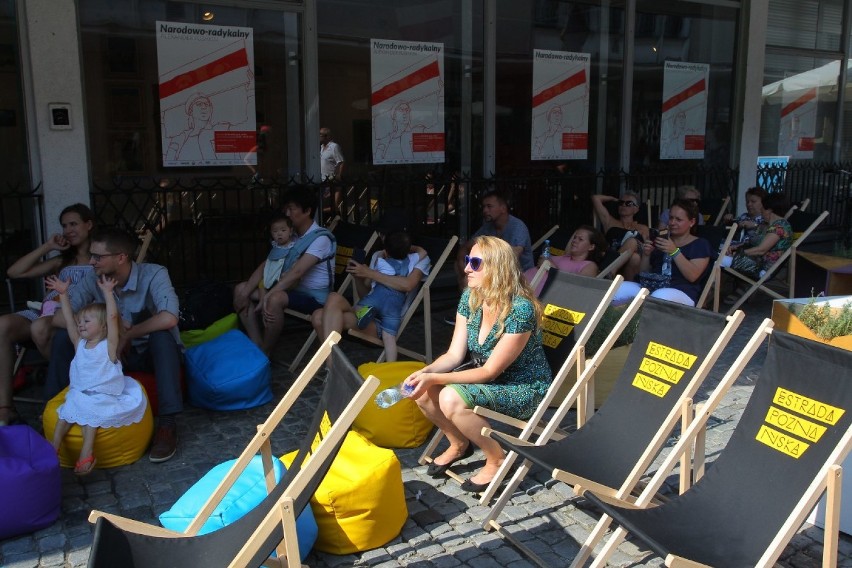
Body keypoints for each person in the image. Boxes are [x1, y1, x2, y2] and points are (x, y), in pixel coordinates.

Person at [404, 236, 551, 493]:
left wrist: (435, 379)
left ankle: (496, 458)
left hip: (522, 387)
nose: (466, 268)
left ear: (497, 268)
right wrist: (424, 373)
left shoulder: (520, 309)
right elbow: (453, 355)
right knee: (423, 391)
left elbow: (489, 371)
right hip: (490, 379)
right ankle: (458, 443)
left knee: (450, 397)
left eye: (475, 263)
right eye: (467, 261)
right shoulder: (471, 298)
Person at [45, 227, 182, 463]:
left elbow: (169, 317)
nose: (91, 262)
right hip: (108, 361)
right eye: (91, 255)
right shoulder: (92, 278)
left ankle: (168, 425)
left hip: (146, 353)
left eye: (98, 257)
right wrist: (96, 331)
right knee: (61, 338)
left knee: (163, 336)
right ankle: (50, 411)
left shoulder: (154, 274)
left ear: (121, 258)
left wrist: (126, 335)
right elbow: (60, 318)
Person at [0, 203, 94, 427]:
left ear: (89, 225)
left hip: (75, 317)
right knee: (2, 324)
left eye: (74, 224)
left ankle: (67, 388)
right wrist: (48, 246)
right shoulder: (61, 261)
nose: (68, 230)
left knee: (39, 327)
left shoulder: (99, 258)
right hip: (45, 311)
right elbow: (13, 272)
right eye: (64, 226)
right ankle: (5, 407)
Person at [44, 274, 147, 475]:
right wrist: (63, 294)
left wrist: (108, 294)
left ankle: (86, 452)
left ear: (102, 327)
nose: (80, 324)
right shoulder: (79, 344)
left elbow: (112, 317)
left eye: (86, 321)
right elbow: (68, 320)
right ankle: (52, 447)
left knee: (89, 411)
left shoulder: (109, 347)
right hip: (80, 393)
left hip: (104, 396)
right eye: (80, 321)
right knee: (67, 410)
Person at [311, 224, 431, 362]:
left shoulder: (420, 260)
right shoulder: (378, 256)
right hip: (366, 312)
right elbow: (365, 294)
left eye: (384, 235)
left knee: (322, 317)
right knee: (320, 313)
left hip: (382, 323)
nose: (381, 238)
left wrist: (370, 273)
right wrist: (358, 277)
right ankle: (332, 366)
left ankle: (332, 368)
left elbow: (408, 285)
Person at [250, 187, 335, 355]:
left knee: (274, 298)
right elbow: (270, 262)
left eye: (292, 209)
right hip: (293, 290)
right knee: (242, 291)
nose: (287, 214)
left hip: (314, 298)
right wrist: (249, 288)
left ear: (307, 211)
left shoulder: (320, 238)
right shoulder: (290, 235)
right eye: (285, 209)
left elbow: (297, 272)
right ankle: (256, 344)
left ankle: (264, 355)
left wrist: (267, 295)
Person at [616, 198, 712, 306]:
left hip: (681, 291)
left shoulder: (700, 244)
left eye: (678, 220)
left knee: (659, 296)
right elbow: (645, 272)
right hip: (652, 286)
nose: (672, 223)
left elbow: (693, 276)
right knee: (618, 289)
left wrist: (674, 251)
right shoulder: (661, 239)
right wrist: (646, 255)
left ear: (692, 222)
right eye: (671, 218)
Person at [351, 231, 428, 361]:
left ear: (386, 251)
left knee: (356, 307)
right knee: (389, 337)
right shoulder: (412, 260)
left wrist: (367, 270)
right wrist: (410, 247)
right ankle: (391, 365)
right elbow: (423, 252)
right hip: (395, 305)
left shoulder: (381, 261)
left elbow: (369, 281)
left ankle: (365, 312)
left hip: (378, 297)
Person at [233, 214, 296, 350]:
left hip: (285, 289)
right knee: (240, 290)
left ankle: (266, 350)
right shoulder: (275, 249)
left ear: (291, 231)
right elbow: (266, 274)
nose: (279, 234)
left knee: (271, 300)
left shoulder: (295, 248)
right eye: (275, 231)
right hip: (269, 285)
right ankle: (256, 342)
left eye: (283, 230)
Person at [454, 189, 533, 291]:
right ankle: (470, 304)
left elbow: (513, 256)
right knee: (460, 269)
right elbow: (466, 247)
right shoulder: (488, 227)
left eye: (489, 206)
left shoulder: (517, 226)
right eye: (484, 207)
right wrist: (463, 267)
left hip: (518, 275)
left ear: (503, 208)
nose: (485, 210)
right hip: (493, 273)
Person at [721, 192, 792, 279]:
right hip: (753, 261)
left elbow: (761, 250)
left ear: (769, 210)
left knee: (717, 260)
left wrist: (737, 254)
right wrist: (735, 247)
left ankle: (710, 290)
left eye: (762, 209)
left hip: (761, 268)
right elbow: (751, 243)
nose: (761, 212)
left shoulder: (780, 227)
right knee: (717, 256)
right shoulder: (767, 225)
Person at [523, 225, 607, 295]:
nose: (574, 241)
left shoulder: (589, 266)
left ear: (591, 247)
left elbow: (577, 289)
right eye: (574, 238)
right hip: (521, 286)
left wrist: (551, 268)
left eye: (580, 239)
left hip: (535, 299)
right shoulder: (564, 257)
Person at [591, 191, 650, 282]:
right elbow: (596, 198)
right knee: (633, 249)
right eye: (621, 203)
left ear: (636, 209)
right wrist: (613, 199)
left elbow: (647, 246)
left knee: (635, 254)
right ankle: (610, 272)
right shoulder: (610, 222)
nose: (623, 205)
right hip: (609, 258)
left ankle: (609, 273)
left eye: (628, 203)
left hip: (629, 266)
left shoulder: (643, 228)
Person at [319, 127, 345, 216]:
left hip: (331, 180)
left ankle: (337, 219)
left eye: (320, 135)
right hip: (323, 180)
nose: (318, 137)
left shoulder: (334, 147)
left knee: (333, 206)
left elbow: (341, 161)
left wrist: (338, 175)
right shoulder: (322, 147)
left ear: (326, 137)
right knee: (323, 204)